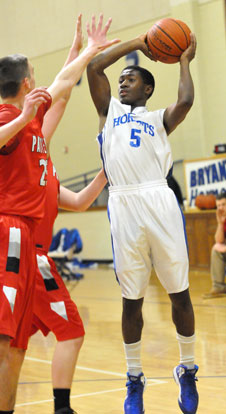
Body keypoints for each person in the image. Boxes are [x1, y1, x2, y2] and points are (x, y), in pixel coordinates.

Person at [0, 14, 118, 414]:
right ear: (27, 84)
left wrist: (107, 170)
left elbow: (63, 91)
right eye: (34, 75)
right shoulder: (17, 124)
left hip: (37, 253)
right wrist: (87, 51)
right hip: (16, 241)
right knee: (7, 341)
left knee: (28, 342)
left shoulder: (38, 149)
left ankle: (61, 407)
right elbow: (58, 90)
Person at [87, 32, 198, 414]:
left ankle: (187, 368)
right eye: (122, 79)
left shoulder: (158, 119)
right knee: (130, 300)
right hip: (124, 203)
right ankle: (134, 379)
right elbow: (94, 66)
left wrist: (183, 60)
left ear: (148, 88)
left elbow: (185, 100)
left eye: (131, 78)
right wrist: (138, 41)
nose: (122, 81)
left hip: (159, 200)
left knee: (179, 292)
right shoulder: (109, 112)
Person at [203, 193, 226, 299]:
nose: (221, 208)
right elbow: (219, 240)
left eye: (223, 205)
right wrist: (220, 223)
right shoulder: (223, 218)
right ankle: (219, 286)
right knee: (216, 249)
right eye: (218, 206)